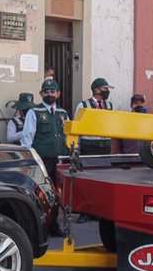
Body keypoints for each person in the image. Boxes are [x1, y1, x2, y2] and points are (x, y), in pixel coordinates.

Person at [20, 78, 70, 235]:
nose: (49, 94)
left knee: (57, 195)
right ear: (41, 94)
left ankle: (53, 225)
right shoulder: (34, 112)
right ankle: (40, 226)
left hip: (61, 160)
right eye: (46, 91)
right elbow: (27, 137)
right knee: (42, 194)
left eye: (52, 91)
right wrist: (29, 159)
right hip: (42, 161)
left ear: (58, 93)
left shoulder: (63, 113)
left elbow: (69, 135)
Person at [74, 77, 115, 156]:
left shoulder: (110, 105)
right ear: (96, 90)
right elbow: (76, 127)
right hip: (89, 146)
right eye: (105, 88)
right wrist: (76, 146)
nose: (107, 91)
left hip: (105, 146)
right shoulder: (83, 105)